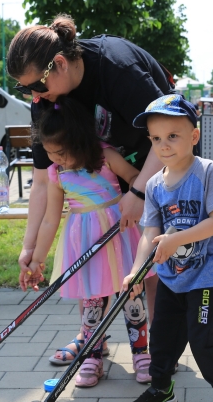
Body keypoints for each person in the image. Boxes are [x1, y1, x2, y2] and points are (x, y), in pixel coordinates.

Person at [7, 14, 173, 356]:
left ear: (60, 64)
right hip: (110, 187)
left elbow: (170, 135)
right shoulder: (45, 105)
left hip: (160, 159)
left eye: (36, 86)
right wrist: (29, 248)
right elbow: (41, 181)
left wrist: (139, 191)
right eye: (24, 89)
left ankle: (156, 346)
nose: (33, 96)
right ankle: (92, 340)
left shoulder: (117, 67)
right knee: (96, 277)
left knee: (151, 262)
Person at [122, 94, 213, 402]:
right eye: (155, 138)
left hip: (207, 274)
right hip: (171, 275)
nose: (163, 144)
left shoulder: (207, 171)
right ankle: (161, 389)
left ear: (193, 137)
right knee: (163, 336)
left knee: (202, 340)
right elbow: (150, 232)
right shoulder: (153, 184)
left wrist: (175, 239)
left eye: (172, 135)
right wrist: (137, 271)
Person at [20, 96, 152, 386]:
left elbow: (136, 180)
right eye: (51, 154)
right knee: (92, 303)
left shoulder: (105, 156)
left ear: (79, 139)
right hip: (85, 244)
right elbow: (49, 220)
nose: (55, 159)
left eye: (61, 153)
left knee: (132, 298)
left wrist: (139, 203)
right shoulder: (57, 174)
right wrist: (36, 259)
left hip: (120, 236)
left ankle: (142, 353)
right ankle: (92, 356)